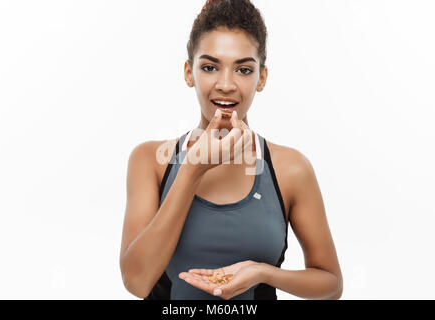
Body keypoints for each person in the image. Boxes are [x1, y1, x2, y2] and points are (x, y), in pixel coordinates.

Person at [120, 0, 343, 300]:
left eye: (243, 69)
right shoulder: (151, 161)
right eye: (210, 67)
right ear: (189, 73)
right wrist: (193, 169)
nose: (226, 84)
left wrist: (263, 272)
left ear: (261, 78)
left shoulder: (290, 169)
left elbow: (331, 284)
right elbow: (137, 281)